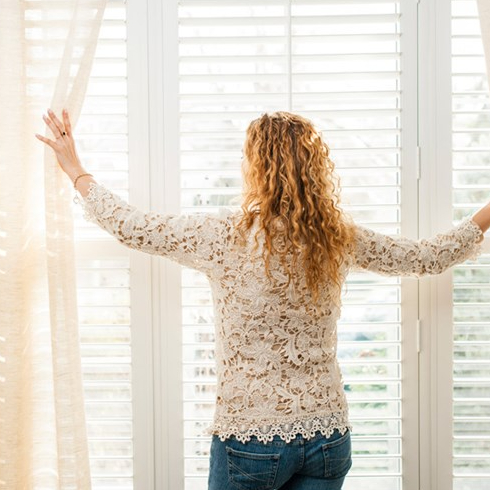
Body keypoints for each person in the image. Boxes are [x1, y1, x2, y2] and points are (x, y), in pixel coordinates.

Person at [36, 109, 489, 490]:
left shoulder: (222, 237)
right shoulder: (337, 239)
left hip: (250, 441)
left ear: (255, 167)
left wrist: (76, 171)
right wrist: (485, 214)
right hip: (327, 435)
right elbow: (426, 256)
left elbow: (132, 227)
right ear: (314, 170)